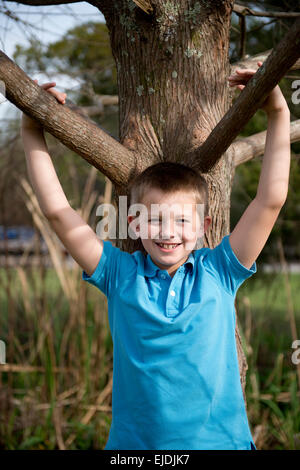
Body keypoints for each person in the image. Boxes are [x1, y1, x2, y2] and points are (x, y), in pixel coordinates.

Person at [21, 62, 290, 450]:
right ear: (133, 223)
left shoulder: (219, 272)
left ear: (203, 225)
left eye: (182, 220)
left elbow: (271, 200)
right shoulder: (118, 273)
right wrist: (33, 128)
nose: (168, 231)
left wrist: (278, 111)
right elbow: (58, 212)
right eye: (155, 219)